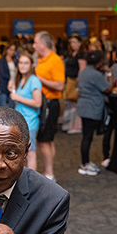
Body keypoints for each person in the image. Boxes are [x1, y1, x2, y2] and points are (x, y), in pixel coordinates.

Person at [33, 31, 65, 181]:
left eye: (35, 43)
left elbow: (60, 85)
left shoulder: (55, 60)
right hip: (44, 104)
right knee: (48, 140)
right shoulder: (41, 60)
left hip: (50, 105)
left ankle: (49, 174)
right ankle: (49, 172)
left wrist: (39, 78)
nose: (33, 46)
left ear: (43, 44)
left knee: (44, 141)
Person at [76, 50, 109, 175]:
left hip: (83, 106)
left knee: (86, 136)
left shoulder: (83, 72)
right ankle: (85, 164)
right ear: (99, 62)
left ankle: (85, 162)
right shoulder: (96, 75)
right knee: (88, 137)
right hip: (92, 107)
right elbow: (108, 88)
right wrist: (109, 73)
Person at [9, 51, 42, 170]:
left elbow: (38, 103)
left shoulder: (34, 80)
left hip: (30, 122)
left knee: (30, 154)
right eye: (21, 63)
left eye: (26, 63)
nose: (22, 66)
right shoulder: (20, 79)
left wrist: (17, 97)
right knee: (20, 152)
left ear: (32, 65)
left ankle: (32, 180)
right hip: (20, 122)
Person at [62, 34, 86, 134]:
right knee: (69, 103)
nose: (72, 44)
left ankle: (76, 126)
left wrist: (78, 84)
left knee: (75, 104)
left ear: (80, 43)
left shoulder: (81, 55)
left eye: (75, 42)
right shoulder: (71, 54)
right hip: (69, 80)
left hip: (75, 81)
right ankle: (68, 124)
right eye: (71, 42)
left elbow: (82, 69)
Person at [0, 43, 16, 108]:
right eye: (11, 50)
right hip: (4, 86)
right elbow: (2, 73)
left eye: (14, 50)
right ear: (7, 50)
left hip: (13, 86)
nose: (12, 52)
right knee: (3, 107)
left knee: (12, 107)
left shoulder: (15, 61)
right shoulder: (1, 61)